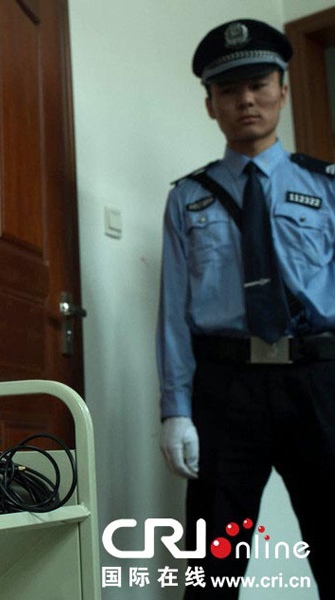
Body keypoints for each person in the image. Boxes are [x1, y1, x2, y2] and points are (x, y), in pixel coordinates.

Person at [156, 18, 335, 598]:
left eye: (258, 84)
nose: (247, 100)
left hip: (319, 380)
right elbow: (174, 311)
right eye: (229, 90)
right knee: (212, 566)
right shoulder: (188, 198)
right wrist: (176, 409)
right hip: (225, 388)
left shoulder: (327, 187)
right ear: (211, 105)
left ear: (282, 89)